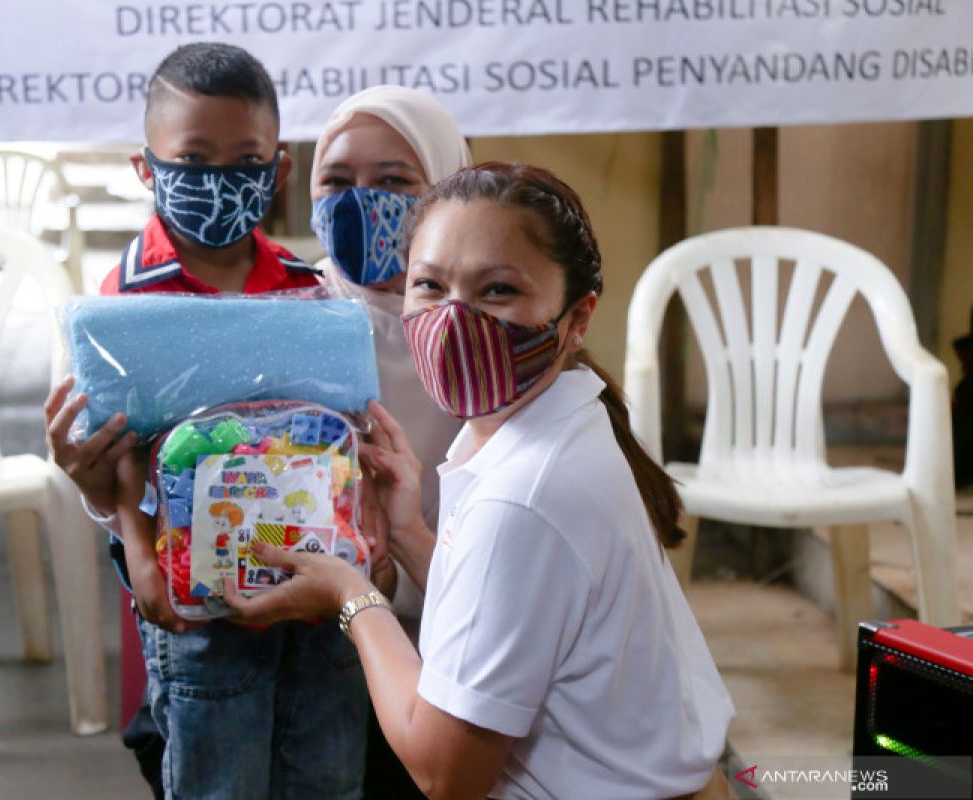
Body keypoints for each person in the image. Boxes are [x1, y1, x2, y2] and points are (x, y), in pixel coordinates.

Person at [226, 162, 735, 799]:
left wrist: (352, 598)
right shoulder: (556, 425)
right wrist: (410, 529)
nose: (454, 320)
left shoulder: (522, 496)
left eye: (496, 291)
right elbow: (514, 618)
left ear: (577, 318)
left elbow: (445, 774)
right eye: (430, 286)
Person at [45, 43, 370, 800]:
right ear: (145, 168)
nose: (220, 181)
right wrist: (143, 554)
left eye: (245, 159)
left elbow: (337, 438)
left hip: (312, 590)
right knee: (216, 778)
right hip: (195, 611)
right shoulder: (120, 304)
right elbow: (115, 448)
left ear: (279, 170)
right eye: (193, 158)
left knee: (327, 774)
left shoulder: (309, 292)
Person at [307, 84, 468, 799]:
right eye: (335, 181)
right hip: (318, 636)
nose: (358, 203)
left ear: (445, 191)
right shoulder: (294, 315)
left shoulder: (486, 341)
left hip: (461, 639)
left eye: (394, 182)